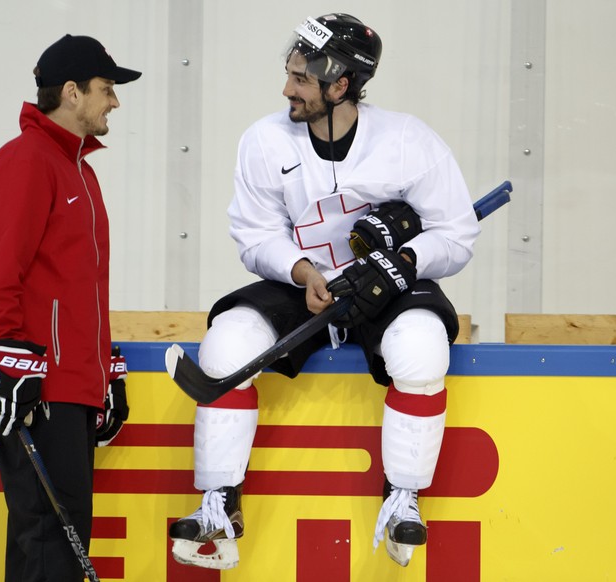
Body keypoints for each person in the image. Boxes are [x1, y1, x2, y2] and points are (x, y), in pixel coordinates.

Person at [168, 13, 480, 570]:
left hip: (388, 285)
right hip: (303, 284)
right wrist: (301, 270)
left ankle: (402, 496)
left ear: (342, 86)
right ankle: (220, 505)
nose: (287, 89)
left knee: (423, 347)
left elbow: (456, 234)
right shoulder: (264, 140)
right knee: (226, 344)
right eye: (288, 74)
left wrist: (407, 260)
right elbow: (256, 233)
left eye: (302, 80)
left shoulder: (409, 140)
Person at [0, 34, 139, 581]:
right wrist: (9, 361)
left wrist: (103, 369)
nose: (114, 101)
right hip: (37, 388)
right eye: (107, 88)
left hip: (70, 387)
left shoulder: (78, 171)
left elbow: (79, 288)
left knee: (61, 546)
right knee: (47, 538)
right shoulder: (26, 164)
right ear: (71, 92)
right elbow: (0, 277)